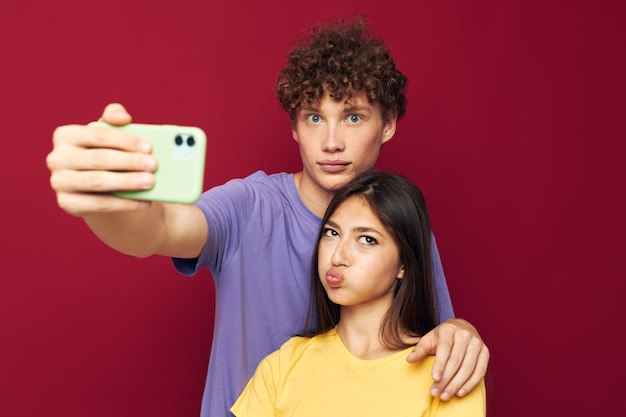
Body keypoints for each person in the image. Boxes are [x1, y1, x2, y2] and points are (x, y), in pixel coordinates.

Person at [46, 16, 489, 417]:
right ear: (294, 125)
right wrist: (111, 202)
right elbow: (159, 229)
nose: (331, 141)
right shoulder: (249, 205)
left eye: (353, 117)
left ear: (388, 123)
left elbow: (426, 340)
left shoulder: (402, 224)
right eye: (314, 117)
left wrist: (460, 331)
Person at [231, 171, 486, 417]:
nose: (337, 256)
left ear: (404, 265)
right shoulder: (282, 367)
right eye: (332, 233)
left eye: (366, 240)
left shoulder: (449, 372)